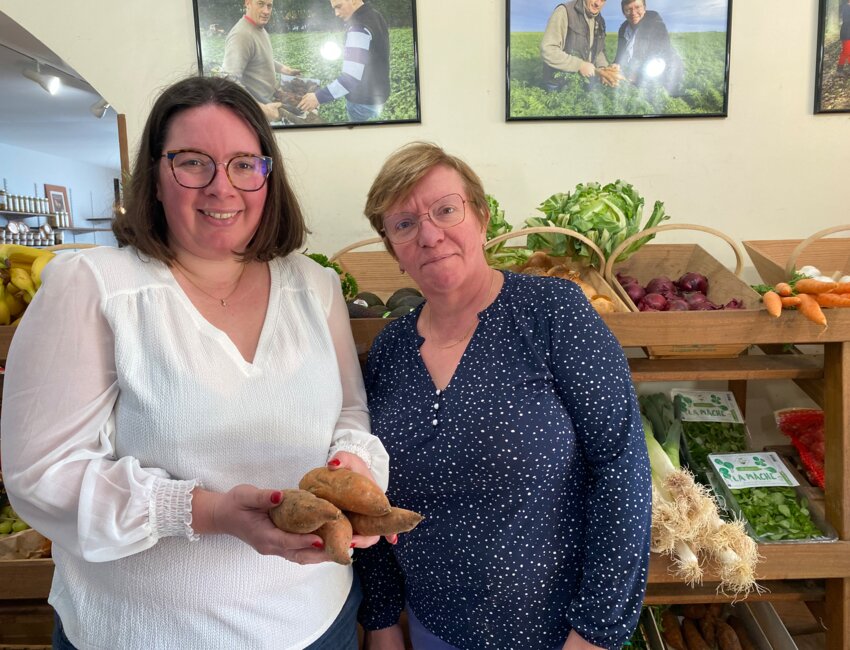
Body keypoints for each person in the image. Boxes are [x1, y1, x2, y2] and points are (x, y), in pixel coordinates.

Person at [0, 76, 389, 650]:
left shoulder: (315, 286)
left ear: (267, 176)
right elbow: (40, 476)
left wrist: (353, 464)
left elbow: (350, 413)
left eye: (243, 164)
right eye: (192, 163)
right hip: (144, 634)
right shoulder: (93, 286)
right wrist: (205, 512)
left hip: (317, 622)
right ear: (156, 177)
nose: (221, 187)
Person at [354, 142, 652, 650]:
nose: (429, 235)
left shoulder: (553, 312)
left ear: (482, 217)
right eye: (404, 224)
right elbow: (372, 497)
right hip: (432, 629)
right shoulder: (390, 350)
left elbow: (621, 469)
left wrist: (597, 631)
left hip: (557, 633)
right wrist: (382, 622)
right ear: (393, 251)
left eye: (445, 210)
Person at [297, 0, 390, 122]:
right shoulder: (375, 15)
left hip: (361, 103)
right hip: (378, 97)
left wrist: (318, 97)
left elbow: (350, 78)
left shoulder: (358, 28)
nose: (336, 13)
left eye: (339, 6)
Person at [220, 0, 301, 121]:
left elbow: (262, 57)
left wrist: (285, 69)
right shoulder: (241, 35)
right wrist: (260, 108)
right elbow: (229, 78)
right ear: (248, 3)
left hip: (269, 100)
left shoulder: (259, 28)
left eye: (269, 6)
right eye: (260, 4)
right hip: (256, 112)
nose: (266, 11)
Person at [540, 0, 620, 91]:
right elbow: (548, 49)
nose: (598, 3)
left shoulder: (600, 20)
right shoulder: (564, 11)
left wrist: (604, 69)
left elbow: (599, 50)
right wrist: (579, 65)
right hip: (558, 83)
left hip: (583, 82)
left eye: (603, 0)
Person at [613, 0, 683, 95]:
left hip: (662, 79)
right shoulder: (623, 28)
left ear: (644, 8)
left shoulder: (656, 24)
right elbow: (620, 55)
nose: (633, 13)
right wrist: (616, 65)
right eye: (628, 9)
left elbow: (657, 58)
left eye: (637, 7)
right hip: (636, 77)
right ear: (623, 12)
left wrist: (636, 76)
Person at [838, 0, 850, 74]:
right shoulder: (846, 7)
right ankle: (839, 70)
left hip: (847, 32)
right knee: (846, 52)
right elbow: (846, 20)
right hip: (846, 33)